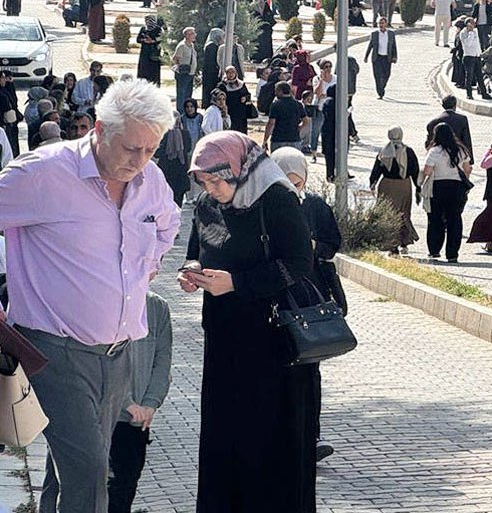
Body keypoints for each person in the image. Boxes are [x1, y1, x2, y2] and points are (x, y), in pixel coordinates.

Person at [0, 78, 180, 513]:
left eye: (150, 150)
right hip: (53, 351)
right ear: (98, 130)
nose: (139, 161)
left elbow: (168, 225)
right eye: (130, 148)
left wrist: (147, 264)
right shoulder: (42, 173)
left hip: (121, 355)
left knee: (71, 469)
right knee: (89, 469)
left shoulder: (150, 178)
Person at [180, 131, 319, 509]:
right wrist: (193, 271)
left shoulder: (275, 198)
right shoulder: (207, 205)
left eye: (219, 179)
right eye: (204, 181)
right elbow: (200, 251)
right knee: (227, 436)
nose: (214, 188)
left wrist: (237, 284)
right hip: (225, 338)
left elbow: (298, 264)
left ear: (241, 168)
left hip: (272, 342)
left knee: (270, 440)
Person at [270, 147, 345, 461]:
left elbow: (333, 242)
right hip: (274, 301)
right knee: (274, 372)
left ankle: (310, 438)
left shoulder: (314, 205)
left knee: (309, 372)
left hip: (309, 303)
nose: (293, 188)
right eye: (286, 180)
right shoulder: (264, 206)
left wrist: (314, 245)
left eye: (297, 182)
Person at [107, 291, 172, 513]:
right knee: (96, 489)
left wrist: (150, 404)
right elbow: (99, 359)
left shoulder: (158, 307)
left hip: (136, 421)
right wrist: (126, 402)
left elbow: (162, 362)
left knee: (125, 485)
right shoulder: (102, 300)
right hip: (101, 415)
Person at [420, 123, 472, 262]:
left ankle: (434, 250)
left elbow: (427, 171)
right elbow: (467, 169)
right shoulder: (461, 150)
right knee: (454, 220)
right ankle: (452, 254)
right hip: (456, 188)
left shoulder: (434, 151)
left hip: (438, 187)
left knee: (435, 219)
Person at [370, 127, 421, 256]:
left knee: (388, 214)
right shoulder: (408, 151)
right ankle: (404, 242)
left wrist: (373, 182)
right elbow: (415, 170)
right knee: (403, 213)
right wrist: (418, 187)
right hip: (404, 186)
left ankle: (392, 247)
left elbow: (376, 169)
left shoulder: (384, 151)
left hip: (386, 185)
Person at [263, 81, 308, 153]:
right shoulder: (298, 104)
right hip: (294, 139)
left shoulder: (276, 104)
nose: (275, 93)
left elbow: (271, 123)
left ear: (280, 91)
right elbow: (305, 121)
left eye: (276, 90)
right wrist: (298, 128)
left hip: (278, 139)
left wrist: (265, 140)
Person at [427, 95, 474, 160]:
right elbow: (466, 139)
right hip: (458, 154)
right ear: (455, 106)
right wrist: (470, 159)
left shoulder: (433, 122)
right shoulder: (462, 120)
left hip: (439, 156)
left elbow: (429, 143)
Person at [365, 17, 397, 99]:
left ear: (386, 24)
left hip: (387, 58)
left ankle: (382, 86)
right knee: (377, 75)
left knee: (387, 74)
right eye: (380, 23)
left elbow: (394, 46)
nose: (381, 25)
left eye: (383, 23)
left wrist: (394, 57)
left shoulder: (391, 34)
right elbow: (370, 46)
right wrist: (366, 56)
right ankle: (380, 92)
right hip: (377, 58)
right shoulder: (375, 34)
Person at [214, 66, 254, 134]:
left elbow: (248, 95)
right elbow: (217, 95)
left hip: (241, 114)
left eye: (233, 72)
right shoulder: (222, 85)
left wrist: (245, 98)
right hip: (229, 112)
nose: (231, 74)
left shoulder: (241, 84)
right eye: (229, 72)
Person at [172, 27, 199, 108]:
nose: (194, 35)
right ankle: (180, 113)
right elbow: (175, 58)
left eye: (194, 33)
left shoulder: (191, 45)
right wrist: (181, 67)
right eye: (192, 34)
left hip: (190, 73)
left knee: (188, 95)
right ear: (187, 35)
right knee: (182, 94)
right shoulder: (182, 46)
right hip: (183, 74)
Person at [135, 15, 163, 84]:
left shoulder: (158, 29)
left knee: (153, 71)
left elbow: (161, 39)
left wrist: (153, 41)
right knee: (143, 70)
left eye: (149, 20)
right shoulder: (143, 28)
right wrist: (144, 40)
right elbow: (138, 39)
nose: (147, 22)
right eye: (146, 20)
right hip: (144, 53)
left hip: (154, 53)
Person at [201, 28, 225, 106]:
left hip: (211, 73)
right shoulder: (211, 46)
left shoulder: (214, 45)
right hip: (211, 74)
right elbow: (212, 61)